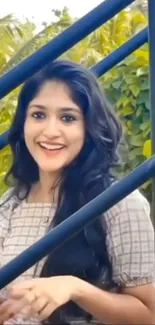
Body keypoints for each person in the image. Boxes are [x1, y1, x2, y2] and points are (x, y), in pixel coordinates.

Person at [0, 60, 154, 325]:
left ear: (89, 127)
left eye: (68, 118)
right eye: (38, 115)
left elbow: (149, 315)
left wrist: (74, 288)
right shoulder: (12, 201)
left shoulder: (117, 203)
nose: (50, 131)